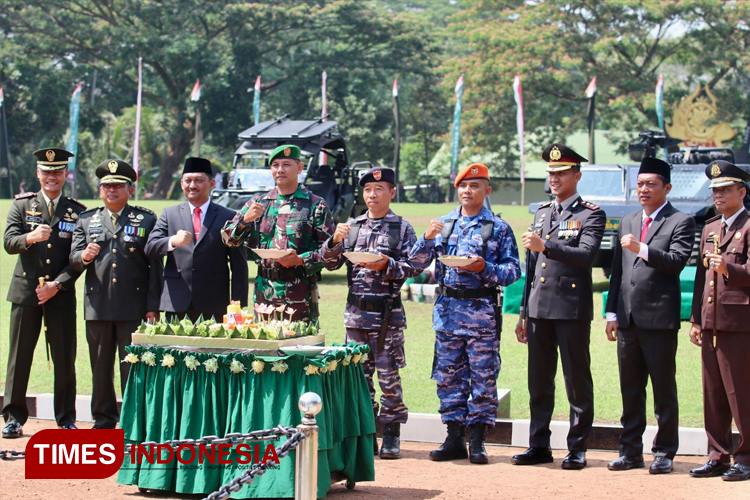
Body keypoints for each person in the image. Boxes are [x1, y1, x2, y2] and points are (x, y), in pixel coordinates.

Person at [410, 163, 520, 464]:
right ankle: (454, 437)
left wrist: (485, 268)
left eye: (475, 186)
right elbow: (416, 264)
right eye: (463, 186)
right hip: (447, 314)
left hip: (481, 314)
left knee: (483, 378)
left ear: (487, 190)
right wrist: (427, 238)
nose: (467, 191)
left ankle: (479, 440)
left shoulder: (497, 227)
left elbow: (512, 272)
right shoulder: (444, 223)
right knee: (448, 378)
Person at [513, 143, 605, 470]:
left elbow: (586, 256)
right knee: (538, 382)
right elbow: (531, 267)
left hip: (570, 308)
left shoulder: (590, 213)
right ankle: (538, 445)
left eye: (562, 172)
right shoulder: (540, 212)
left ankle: (577, 448)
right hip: (539, 309)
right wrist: (524, 311)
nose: (555, 178)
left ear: (577, 175)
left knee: (576, 381)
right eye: (551, 173)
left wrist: (548, 245)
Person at [605, 157, 695, 474]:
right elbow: (617, 272)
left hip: (658, 320)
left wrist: (642, 248)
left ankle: (665, 451)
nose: (643, 189)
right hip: (627, 320)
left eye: (650, 184)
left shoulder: (680, 221)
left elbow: (676, 261)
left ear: (666, 188)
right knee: (630, 389)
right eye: (640, 183)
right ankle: (630, 451)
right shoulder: (628, 221)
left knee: (663, 390)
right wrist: (611, 312)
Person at [322, 167, 419, 460]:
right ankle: (366, 435)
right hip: (356, 316)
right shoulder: (351, 226)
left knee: (389, 379)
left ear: (392, 192)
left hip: (387, 317)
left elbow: (413, 266)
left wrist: (385, 266)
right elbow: (328, 264)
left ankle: (391, 434)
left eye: (379, 189)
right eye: (367, 190)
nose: (372, 195)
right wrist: (334, 241)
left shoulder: (401, 228)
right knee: (358, 380)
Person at [70, 159, 163, 429]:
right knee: (100, 367)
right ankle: (103, 419)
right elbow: (74, 259)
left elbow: (154, 267)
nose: (112, 190)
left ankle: (133, 420)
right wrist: (83, 256)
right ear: (100, 190)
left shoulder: (145, 219)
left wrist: (152, 306)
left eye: (118, 186)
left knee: (131, 367)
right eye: (106, 186)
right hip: (97, 305)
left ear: (130, 190)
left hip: (132, 307)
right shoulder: (87, 220)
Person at [2, 148, 86, 438]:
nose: (52, 177)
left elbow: (78, 259)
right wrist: (30, 237)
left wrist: (57, 284)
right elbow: (9, 241)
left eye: (57, 171)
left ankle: (65, 418)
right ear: (38, 173)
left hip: (60, 294)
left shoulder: (78, 211)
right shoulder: (22, 206)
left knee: (65, 357)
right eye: (46, 172)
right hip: (26, 292)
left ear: (65, 174)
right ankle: (13, 417)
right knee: (20, 356)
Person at [222, 145, 334, 323]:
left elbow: (331, 255)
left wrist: (300, 260)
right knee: (265, 348)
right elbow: (228, 240)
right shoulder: (258, 203)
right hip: (264, 295)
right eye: (275, 165)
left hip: (299, 297)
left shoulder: (315, 205)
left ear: (299, 168)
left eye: (286, 164)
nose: (280, 170)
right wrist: (245, 221)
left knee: (299, 349)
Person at [689, 160, 750, 481]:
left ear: (742, 191)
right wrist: (697, 318)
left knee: (740, 392)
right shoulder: (712, 227)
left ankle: (746, 456)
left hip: (739, 324)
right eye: (715, 190)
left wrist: (730, 267)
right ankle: (718, 454)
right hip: (711, 322)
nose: (719, 195)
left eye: (726, 189)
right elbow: (702, 279)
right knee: (712, 393)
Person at [145, 157, 248, 322]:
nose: (192, 185)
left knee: (211, 348)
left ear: (212, 183)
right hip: (176, 303)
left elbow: (239, 265)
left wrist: (238, 305)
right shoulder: (169, 214)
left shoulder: (228, 217)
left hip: (214, 303)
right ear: (181, 184)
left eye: (199, 180)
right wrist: (172, 241)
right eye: (188, 181)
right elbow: (150, 248)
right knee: (176, 348)